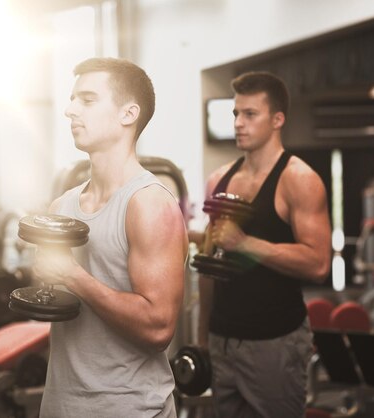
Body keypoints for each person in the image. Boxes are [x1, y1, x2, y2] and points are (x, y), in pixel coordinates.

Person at [32, 57, 188, 418]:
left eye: (87, 100)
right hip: (60, 403)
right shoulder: (62, 204)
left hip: (128, 408)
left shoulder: (149, 204)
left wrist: (71, 275)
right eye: (72, 100)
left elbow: (158, 327)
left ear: (128, 114)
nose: (70, 111)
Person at [195, 71, 332, 418]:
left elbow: (318, 263)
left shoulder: (298, 179)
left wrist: (245, 243)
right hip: (222, 338)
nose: (239, 123)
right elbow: (211, 262)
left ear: (277, 119)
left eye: (250, 114)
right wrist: (202, 335)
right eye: (236, 114)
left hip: (275, 341)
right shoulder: (219, 179)